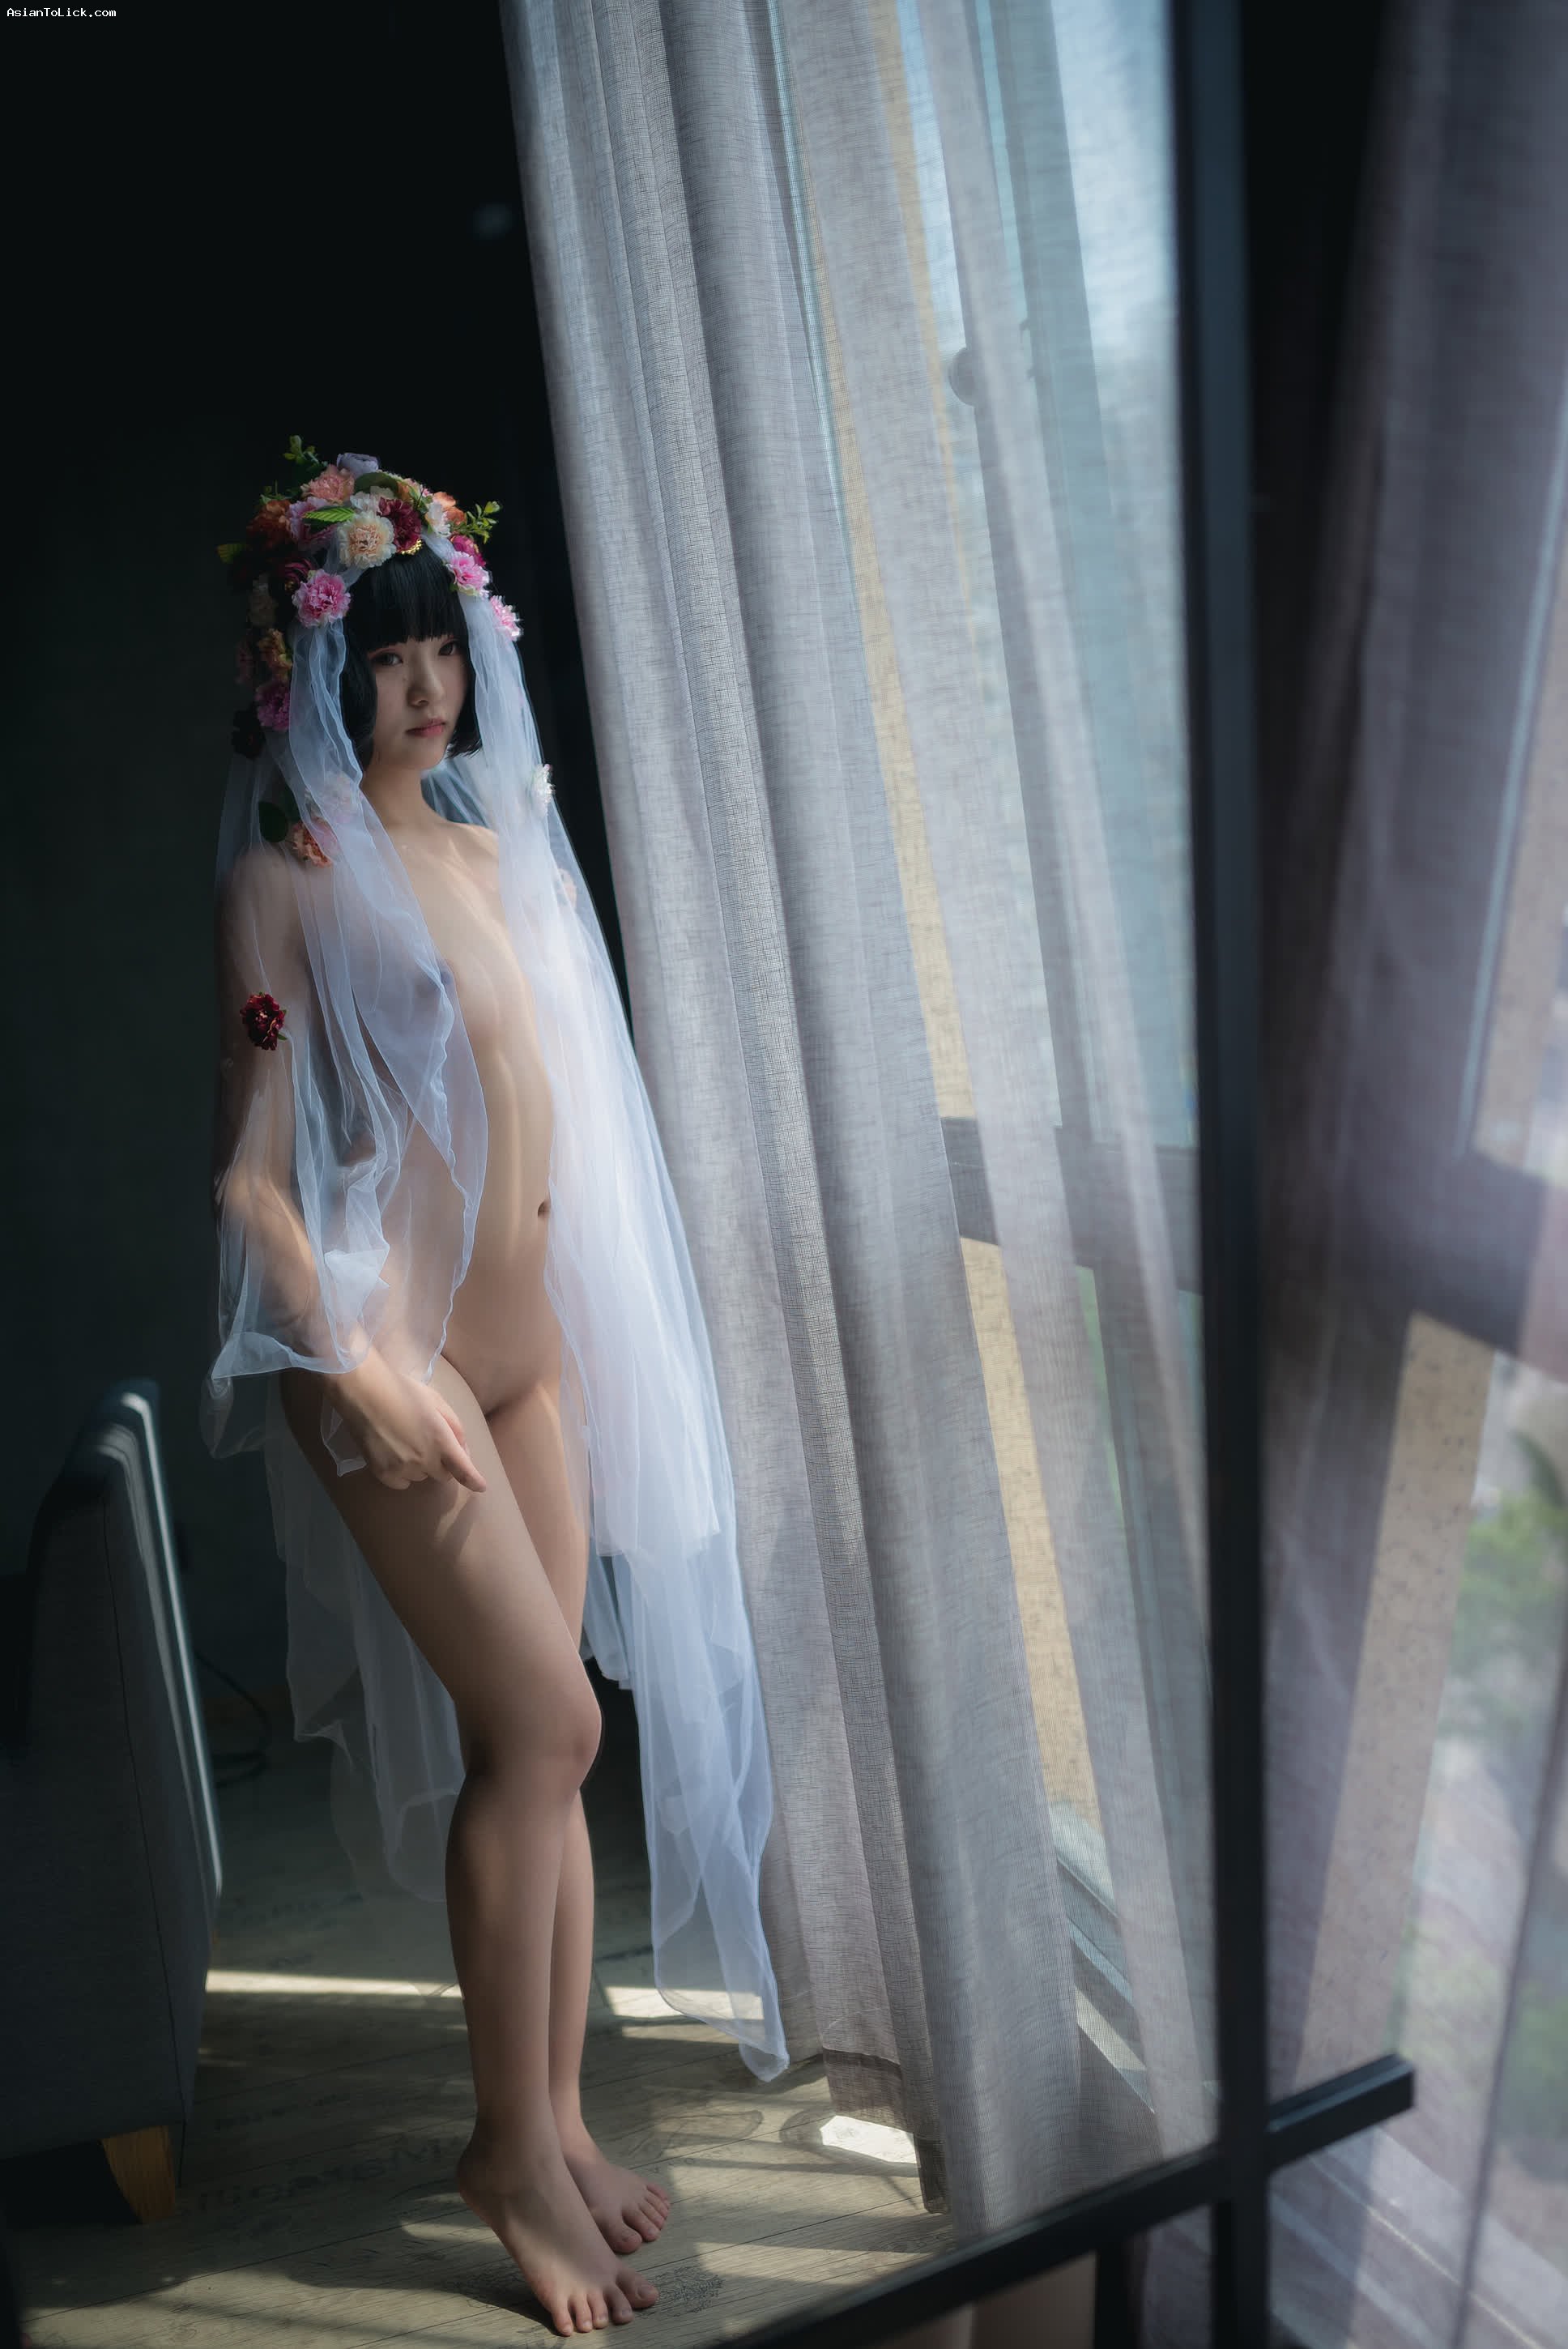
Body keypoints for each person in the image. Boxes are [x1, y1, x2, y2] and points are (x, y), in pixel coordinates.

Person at [202, 444, 786, 2334]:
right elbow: (251, 1185)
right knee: (545, 1727)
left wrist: (593, 1334)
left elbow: (558, 1116)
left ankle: (557, 2120)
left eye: (437, 643)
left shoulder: (486, 839)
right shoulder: (286, 882)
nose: (420, 684)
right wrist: (362, 1365)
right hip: (399, 1353)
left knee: (551, 1748)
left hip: (530, 1353)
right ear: (308, 669)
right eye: (377, 652)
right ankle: (505, 2154)